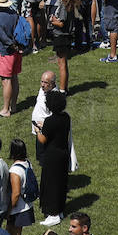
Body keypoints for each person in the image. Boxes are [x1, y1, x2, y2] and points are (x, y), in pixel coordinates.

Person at [36, 90, 71, 226]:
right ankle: (59, 210)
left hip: (52, 157)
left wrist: (38, 130)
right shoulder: (66, 117)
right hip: (63, 154)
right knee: (60, 183)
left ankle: (53, 214)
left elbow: (43, 139)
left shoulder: (50, 121)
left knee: (51, 184)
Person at [0, 0, 23, 117]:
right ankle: (13, 106)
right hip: (16, 53)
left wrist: (12, 45)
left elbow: (4, 38)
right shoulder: (14, 14)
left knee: (6, 81)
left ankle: (5, 110)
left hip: (5, 53)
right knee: (14, 78)